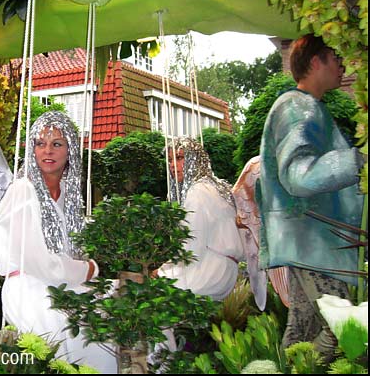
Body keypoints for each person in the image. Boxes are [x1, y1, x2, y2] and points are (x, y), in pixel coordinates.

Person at [258, 33, 364, 359]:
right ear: (315, 61)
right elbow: (299, 176)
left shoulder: (302, 106)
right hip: (317, 244)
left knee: (303, 333)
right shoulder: (297, 108)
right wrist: (358, 160)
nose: (342, 64)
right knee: (343, 332)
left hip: (310, 243)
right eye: (335, 56)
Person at [0, 111, 117, 373]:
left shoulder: (69, 197)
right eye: (40, 143)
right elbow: (36, 261)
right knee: (76, 334)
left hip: (62, 284)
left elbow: (71, 253)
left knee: (119, 303)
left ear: (70, 149)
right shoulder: (22, 190)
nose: (47, 150)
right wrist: (89, 269)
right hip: (29, 287)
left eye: (57, 144)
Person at [154, 137, 244, 301]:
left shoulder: (197, 192)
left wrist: (163, 270)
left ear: (194, 160)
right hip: (223, 270)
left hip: (208, 270)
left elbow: (191, 246)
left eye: (179, 158)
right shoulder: (213, 186)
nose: (173, 165)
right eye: (170, 160)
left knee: (152, 293)